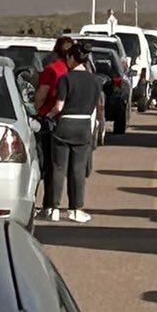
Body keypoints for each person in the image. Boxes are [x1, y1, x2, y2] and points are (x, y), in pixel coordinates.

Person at [44, 47, 102, 225]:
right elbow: (97, 107)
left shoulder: (65, 79)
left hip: (65, 125)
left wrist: (48, 117)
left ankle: (53, 208)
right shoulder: (95, 81)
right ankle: (76, 209)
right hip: (84, 125)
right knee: (78, 169)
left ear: (71, 58)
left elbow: (59, 107)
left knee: (58, 167)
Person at [34, 35, 74, 218]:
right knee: (64, 166)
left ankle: (47, 204)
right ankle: (62, 205)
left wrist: (36, 108)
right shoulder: (74, 71)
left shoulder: (51, 70)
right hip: (69, 122)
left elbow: (40, 97)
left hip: (48, 120)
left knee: (46, 164)